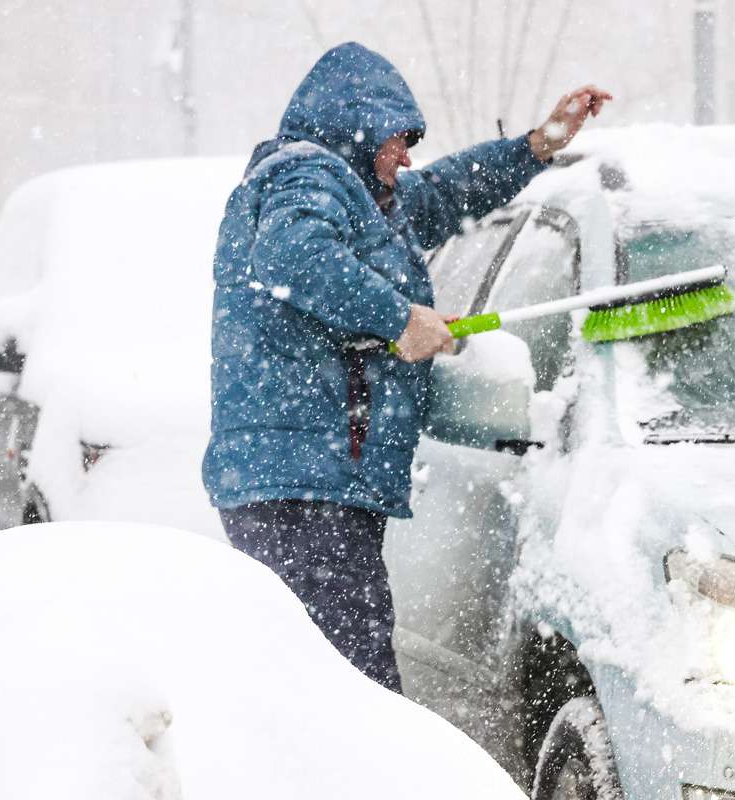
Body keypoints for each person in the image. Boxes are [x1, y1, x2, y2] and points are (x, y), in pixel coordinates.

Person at [204, 42, 610, 692]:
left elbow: (449, 191)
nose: (406, 155)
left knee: (321, 691)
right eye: (397, 140)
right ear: (354, 130)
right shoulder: (307, 175)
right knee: (352, 699)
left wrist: (536, 145)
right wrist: (401, 320)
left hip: (314, 483)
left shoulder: (367, 199)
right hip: (304, 486)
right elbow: (292, 256)